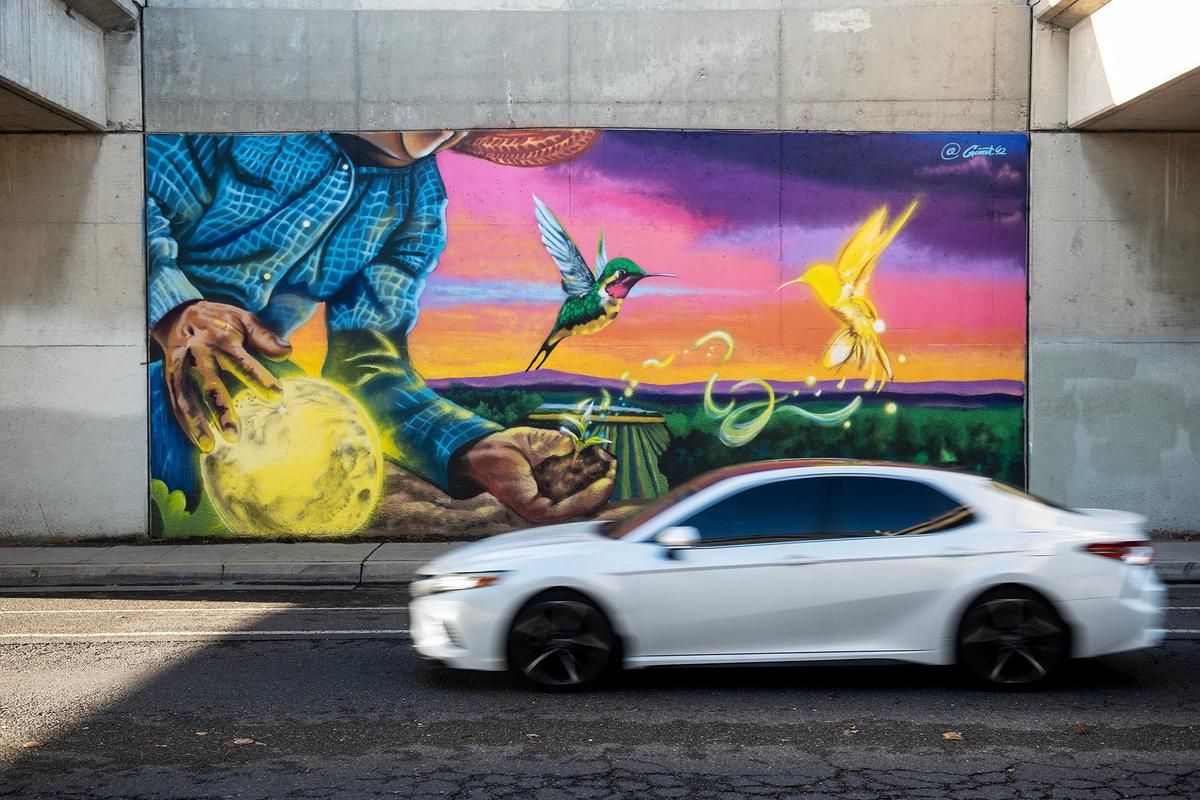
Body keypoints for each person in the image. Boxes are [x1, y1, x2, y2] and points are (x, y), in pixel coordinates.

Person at [147, 129, 614, 525]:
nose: (442, 132)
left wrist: (472, 449)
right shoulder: (244, 128)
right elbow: (124, 197)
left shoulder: (418, 205)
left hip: (227, 412)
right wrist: (175, 308)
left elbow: (369, 362)